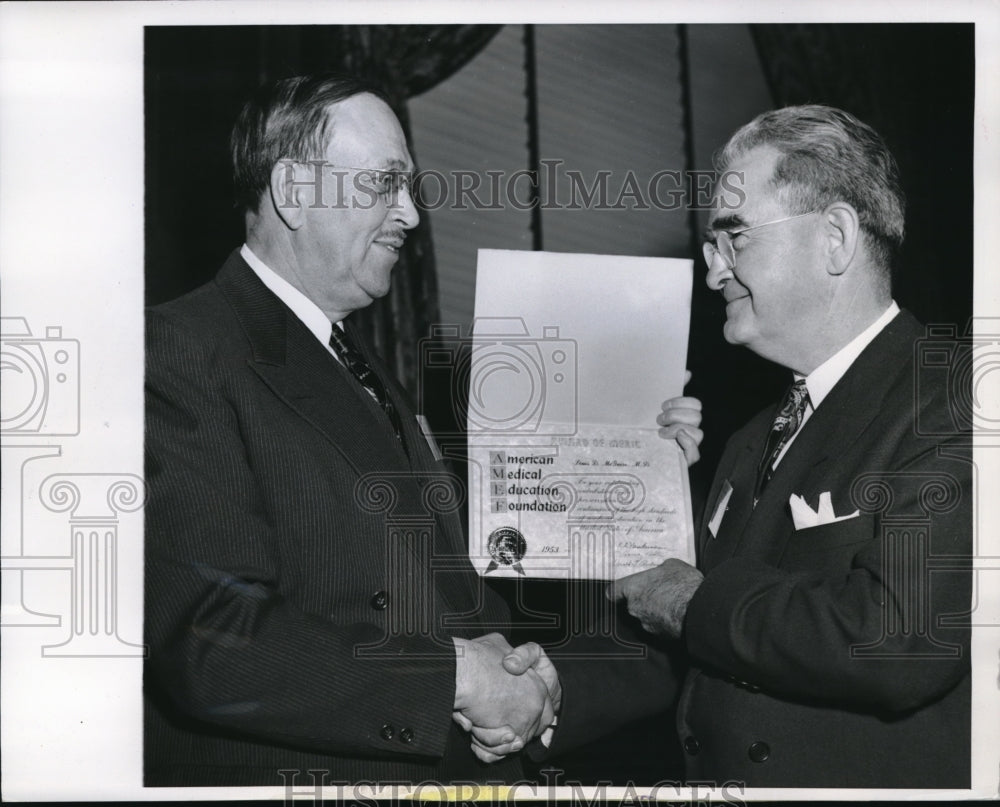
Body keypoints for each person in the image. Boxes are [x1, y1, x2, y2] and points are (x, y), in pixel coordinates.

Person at [144, 72, 672, 787]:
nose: (412, 216)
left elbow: (463, 602)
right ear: (295, 192)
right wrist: (457, 676)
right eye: (386, 184)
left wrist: (649, 474)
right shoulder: (177, 351)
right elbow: (215, 639)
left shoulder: (367, 372)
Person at [606, 105, 972, 788]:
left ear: (835, 237)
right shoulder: (749, 439)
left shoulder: (955, 400)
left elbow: (896, 643)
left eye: (734, 237)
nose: (712, 271)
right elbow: (701, 653)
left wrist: (692, 599)